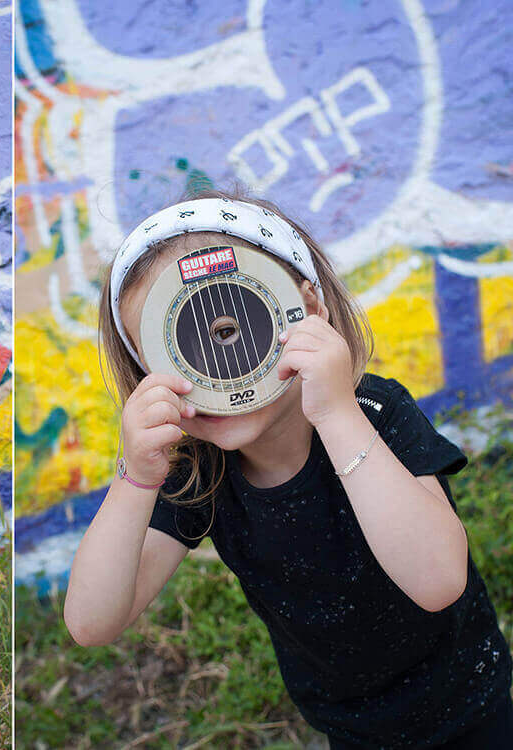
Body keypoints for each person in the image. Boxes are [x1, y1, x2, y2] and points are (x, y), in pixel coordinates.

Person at [63, 189, 512, 749]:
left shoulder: (374, 413)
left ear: (310, 310)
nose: (216, 371)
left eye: (227, 331)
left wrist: (337, 414)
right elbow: (92, 622)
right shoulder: (197, 469)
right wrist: (136, 478)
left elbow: (440, 582)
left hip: (469, 701)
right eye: (173, 350)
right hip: (348, 726)